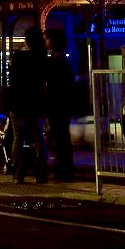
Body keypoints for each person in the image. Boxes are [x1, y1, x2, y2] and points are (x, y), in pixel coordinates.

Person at [8, 26, 49, 184]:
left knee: (18, 138)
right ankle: (42, 173)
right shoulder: (43, 57)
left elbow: (12, 80)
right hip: (37, 102)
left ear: (26, 39)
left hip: (19, 102)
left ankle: (18, 173)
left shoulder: (18, 57)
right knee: (39, 138)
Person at [45, 26, 76, 182]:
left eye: (47, 38)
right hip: (62, 105)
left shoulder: (57, 60)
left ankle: (64, 171)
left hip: (58, 106)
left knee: (60, 139)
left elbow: (54, 86)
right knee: (61, 138)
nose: (46, 41)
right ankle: (65, 169)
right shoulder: (61, 58)